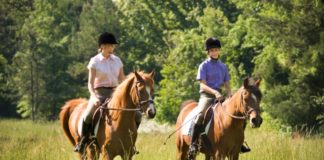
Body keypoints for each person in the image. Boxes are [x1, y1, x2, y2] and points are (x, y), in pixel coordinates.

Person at [188, 37, 250, 156]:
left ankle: (239, 143)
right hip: (207, 96)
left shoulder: (223, 66)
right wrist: (215, 92)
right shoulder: (203, 66)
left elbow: (226, 83)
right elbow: (202, 84)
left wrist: (229, 94)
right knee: (200, 114)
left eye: (216, 50)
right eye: (212, 50)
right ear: (208, 52)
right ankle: (193, 144)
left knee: (240, 116)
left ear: (219, 51)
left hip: (221, 97)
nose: (214, 52)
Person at [74, 32, 125, 152]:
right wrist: (94, 96)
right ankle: (83, 141)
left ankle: (130, 142)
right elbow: (90, 84)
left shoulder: (117, 61)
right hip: (99, 93)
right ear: (102, 46)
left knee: (135, 114)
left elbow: (123, 80)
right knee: (88, 114)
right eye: (110, 45)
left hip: (115, 94)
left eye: (113, 46)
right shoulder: (95, 61)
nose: (112, 48)